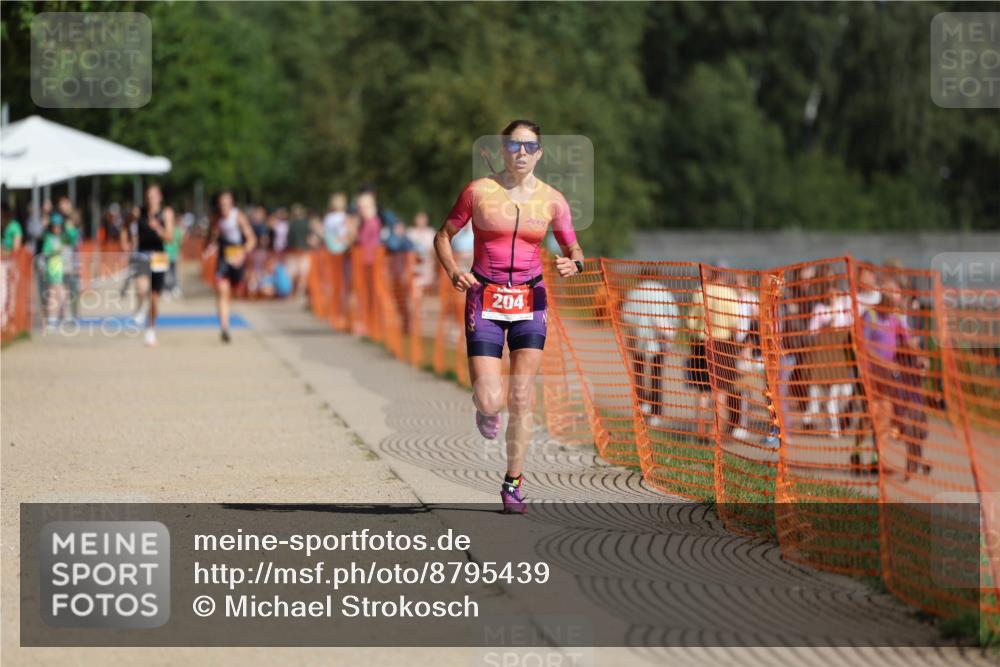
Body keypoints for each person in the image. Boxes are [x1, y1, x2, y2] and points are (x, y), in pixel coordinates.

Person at [434, 119, 584, 514]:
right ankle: (485, 408)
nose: (521, 153)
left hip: (529, 299)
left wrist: (575, 264)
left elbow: (575, 249)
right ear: (503, 150)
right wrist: (453, 271)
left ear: (539, 153)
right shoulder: (478, 192)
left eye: (528, 146)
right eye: (513, 145)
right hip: (484, 295)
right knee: (492, 398)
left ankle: (513, 483)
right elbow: (443, 236)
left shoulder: (554, 200)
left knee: (520, 395)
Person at [620, 269, 679, 428]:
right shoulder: (662, 291)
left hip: (638, 339)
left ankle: (642, 405)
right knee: (656, 376)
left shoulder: (635, 292)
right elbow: (674, 314)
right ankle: (656, 411)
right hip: (659, 341)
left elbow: (625, 316)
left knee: (638, 374)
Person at [205, 191, 256, 343]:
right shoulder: (215, 219)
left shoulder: (238, 217)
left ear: (232, 204)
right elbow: (209, 241)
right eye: (221, 205)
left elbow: (252, 240)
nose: (224, 208)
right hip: (223, 259)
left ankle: (226, 317)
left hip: (237, 257)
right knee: (222, 291)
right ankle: (224, 327)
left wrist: (242, 253)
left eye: (227, 204)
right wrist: (211, 243)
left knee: (233, 293)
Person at [133, 185, 176, 346]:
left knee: (154, 299)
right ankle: (138, 309)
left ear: (160, 197)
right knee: (141, 288)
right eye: (148, 196)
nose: (151, 199)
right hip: (143, 254)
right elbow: (126, 224)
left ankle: (151, 330)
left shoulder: (166, 213)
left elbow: (170, 237)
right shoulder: (139, 212)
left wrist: (158, 228)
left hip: (159, 256)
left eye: (154, 196)